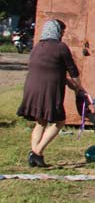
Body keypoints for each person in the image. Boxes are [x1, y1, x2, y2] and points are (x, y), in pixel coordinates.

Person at [17, 19, 84, 167]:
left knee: (40, 122)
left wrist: (66, 82)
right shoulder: (61, 47)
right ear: (57, 31)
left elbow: (49, 68)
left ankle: (35, 157)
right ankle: (37, 152)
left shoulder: (37, 47)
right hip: (49, 90)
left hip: (31, 87)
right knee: (59, 122)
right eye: (62, 31)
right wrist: (79, 87)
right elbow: (73, 71)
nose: (62, 34)